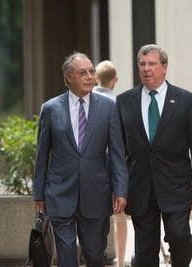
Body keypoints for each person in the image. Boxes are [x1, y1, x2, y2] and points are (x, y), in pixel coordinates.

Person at [116, 44, 192, 267]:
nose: (146, 69)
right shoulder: (124, 101)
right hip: (140, 187)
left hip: (175, 185)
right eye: (142, 64)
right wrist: (119, 189)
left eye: (152, 64)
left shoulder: (186, 100)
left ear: (164, 67)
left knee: (179, 237)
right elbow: (118, 150)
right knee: (145, 252)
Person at [33, 52, 129, 267]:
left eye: (91, 72)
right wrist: (38, 193)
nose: (89, 77)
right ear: (68, 77)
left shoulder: (108, 107)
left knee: (95, 256)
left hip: (97, 193)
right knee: (66, 258)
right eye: (82, 72)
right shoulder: (50, 109)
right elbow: (42, 155)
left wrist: (121, 189)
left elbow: (116, 152)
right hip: (59, 194)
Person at [93, 60, 131, 267]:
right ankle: (120, 261)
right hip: (115, 169)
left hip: (92, 169)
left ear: (96, 77)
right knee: (119, 218)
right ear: (115, 80)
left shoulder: (87, 101)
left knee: (90, 216)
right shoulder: (119, 103)